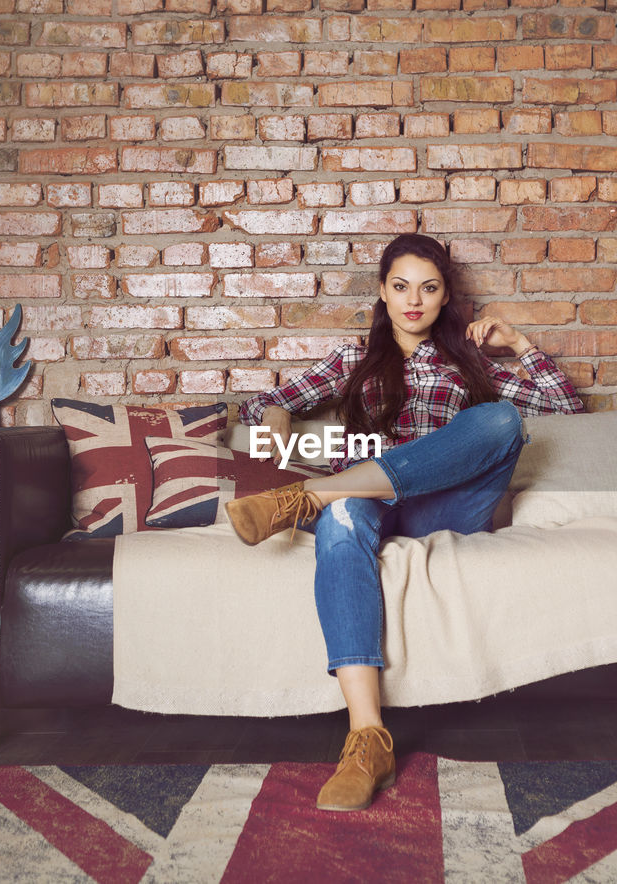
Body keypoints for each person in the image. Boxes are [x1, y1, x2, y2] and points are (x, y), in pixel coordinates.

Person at [230, 233, 585, 812]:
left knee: (500, 421)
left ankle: (310, 497)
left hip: (444, 507)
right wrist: (278, 426)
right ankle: (368, 740)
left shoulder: (467, 362)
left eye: (428, 288)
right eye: (401, 287)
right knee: (345, 515)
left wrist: (518, 343)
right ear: (382, 292)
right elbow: (260, 406)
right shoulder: (354, 359)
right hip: (364, 507)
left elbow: (567, 409)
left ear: (446, 296)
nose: (413, 300)